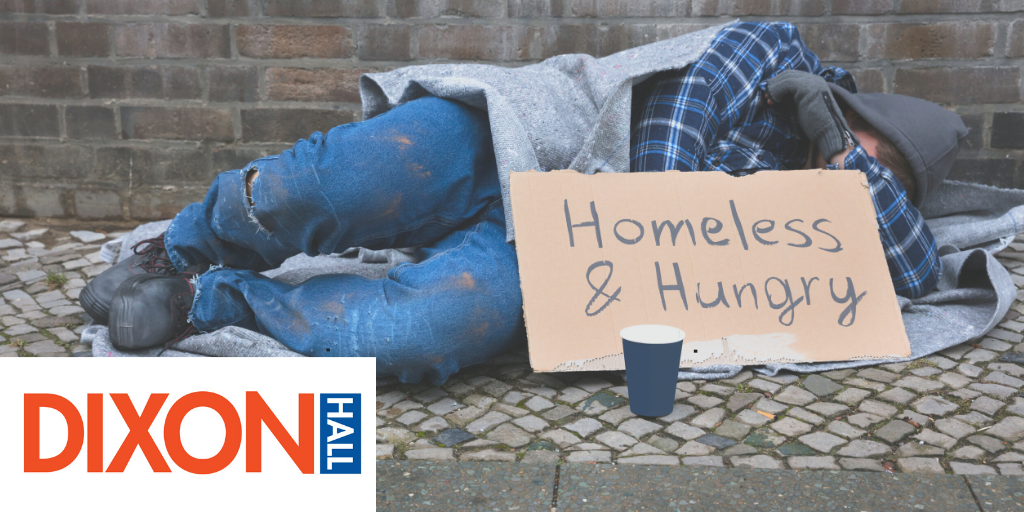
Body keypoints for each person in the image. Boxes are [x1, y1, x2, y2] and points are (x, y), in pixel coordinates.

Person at [80, 22, 966, 384]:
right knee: (349, 177)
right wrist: (808, 121)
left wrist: (845, 164)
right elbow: (667, 156)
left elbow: (918, 274)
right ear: (848, 107)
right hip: (518, 137)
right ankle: (183, 246)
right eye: (855, 147)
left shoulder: (841, 190)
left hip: (562, 250)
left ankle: (200, 303)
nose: (848, 179)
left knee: (426, 332)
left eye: (871, 183)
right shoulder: (774, 54)